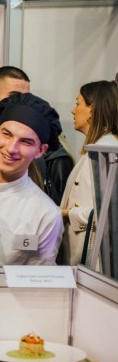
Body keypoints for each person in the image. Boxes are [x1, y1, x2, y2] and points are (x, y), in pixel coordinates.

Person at [0, 93, 63, 267]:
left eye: (25, 142)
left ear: (41, 150)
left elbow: (35, 278)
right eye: (7, 134)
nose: (12, 148)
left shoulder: (45, 215)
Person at [60, 81, 118, 266]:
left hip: (97, 260)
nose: (73, 110)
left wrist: (69, 213)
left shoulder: (107, 152)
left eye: (78, 103)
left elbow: (110, 212)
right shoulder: (97, 148)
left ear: (92, 109)